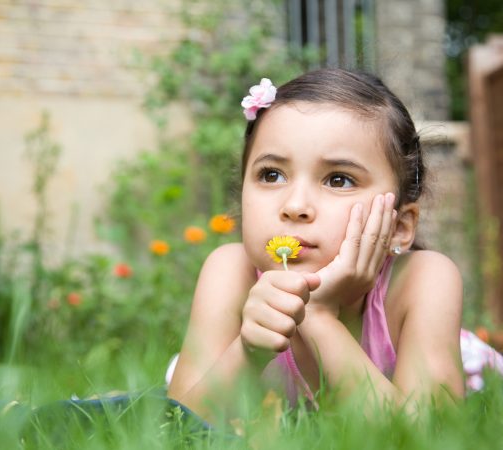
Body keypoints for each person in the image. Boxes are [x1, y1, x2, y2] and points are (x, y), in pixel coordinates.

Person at [167, 68, 503, 424]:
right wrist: (249, 350)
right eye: (271, 175)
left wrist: (318, 315)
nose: (295, 206)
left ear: (399, 226)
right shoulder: (230, 272)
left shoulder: (424, 279)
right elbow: (177, 424)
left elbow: (427, 435)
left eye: (338, 180)